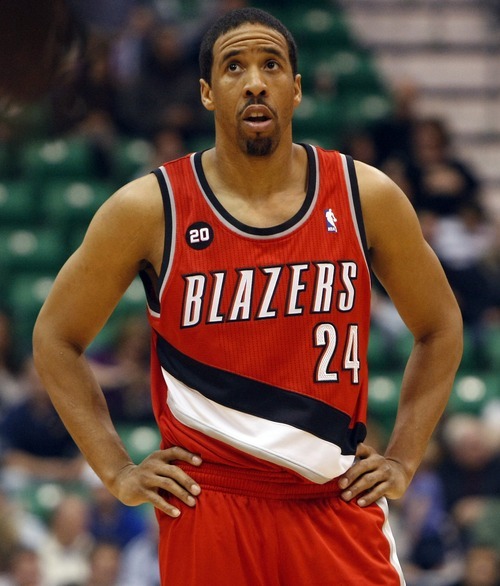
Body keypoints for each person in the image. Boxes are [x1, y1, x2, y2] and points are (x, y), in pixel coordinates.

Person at [33, 7, 463, 585]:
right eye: (234, 66)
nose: (255, 80)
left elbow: (440, 327)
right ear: (208, 93)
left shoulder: (366, 196)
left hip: (332, 500)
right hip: (209, 505)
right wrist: (116, 471)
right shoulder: (149, 209)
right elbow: (56, 337)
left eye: (271, 65)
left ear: (296, 88)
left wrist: (405, 457)